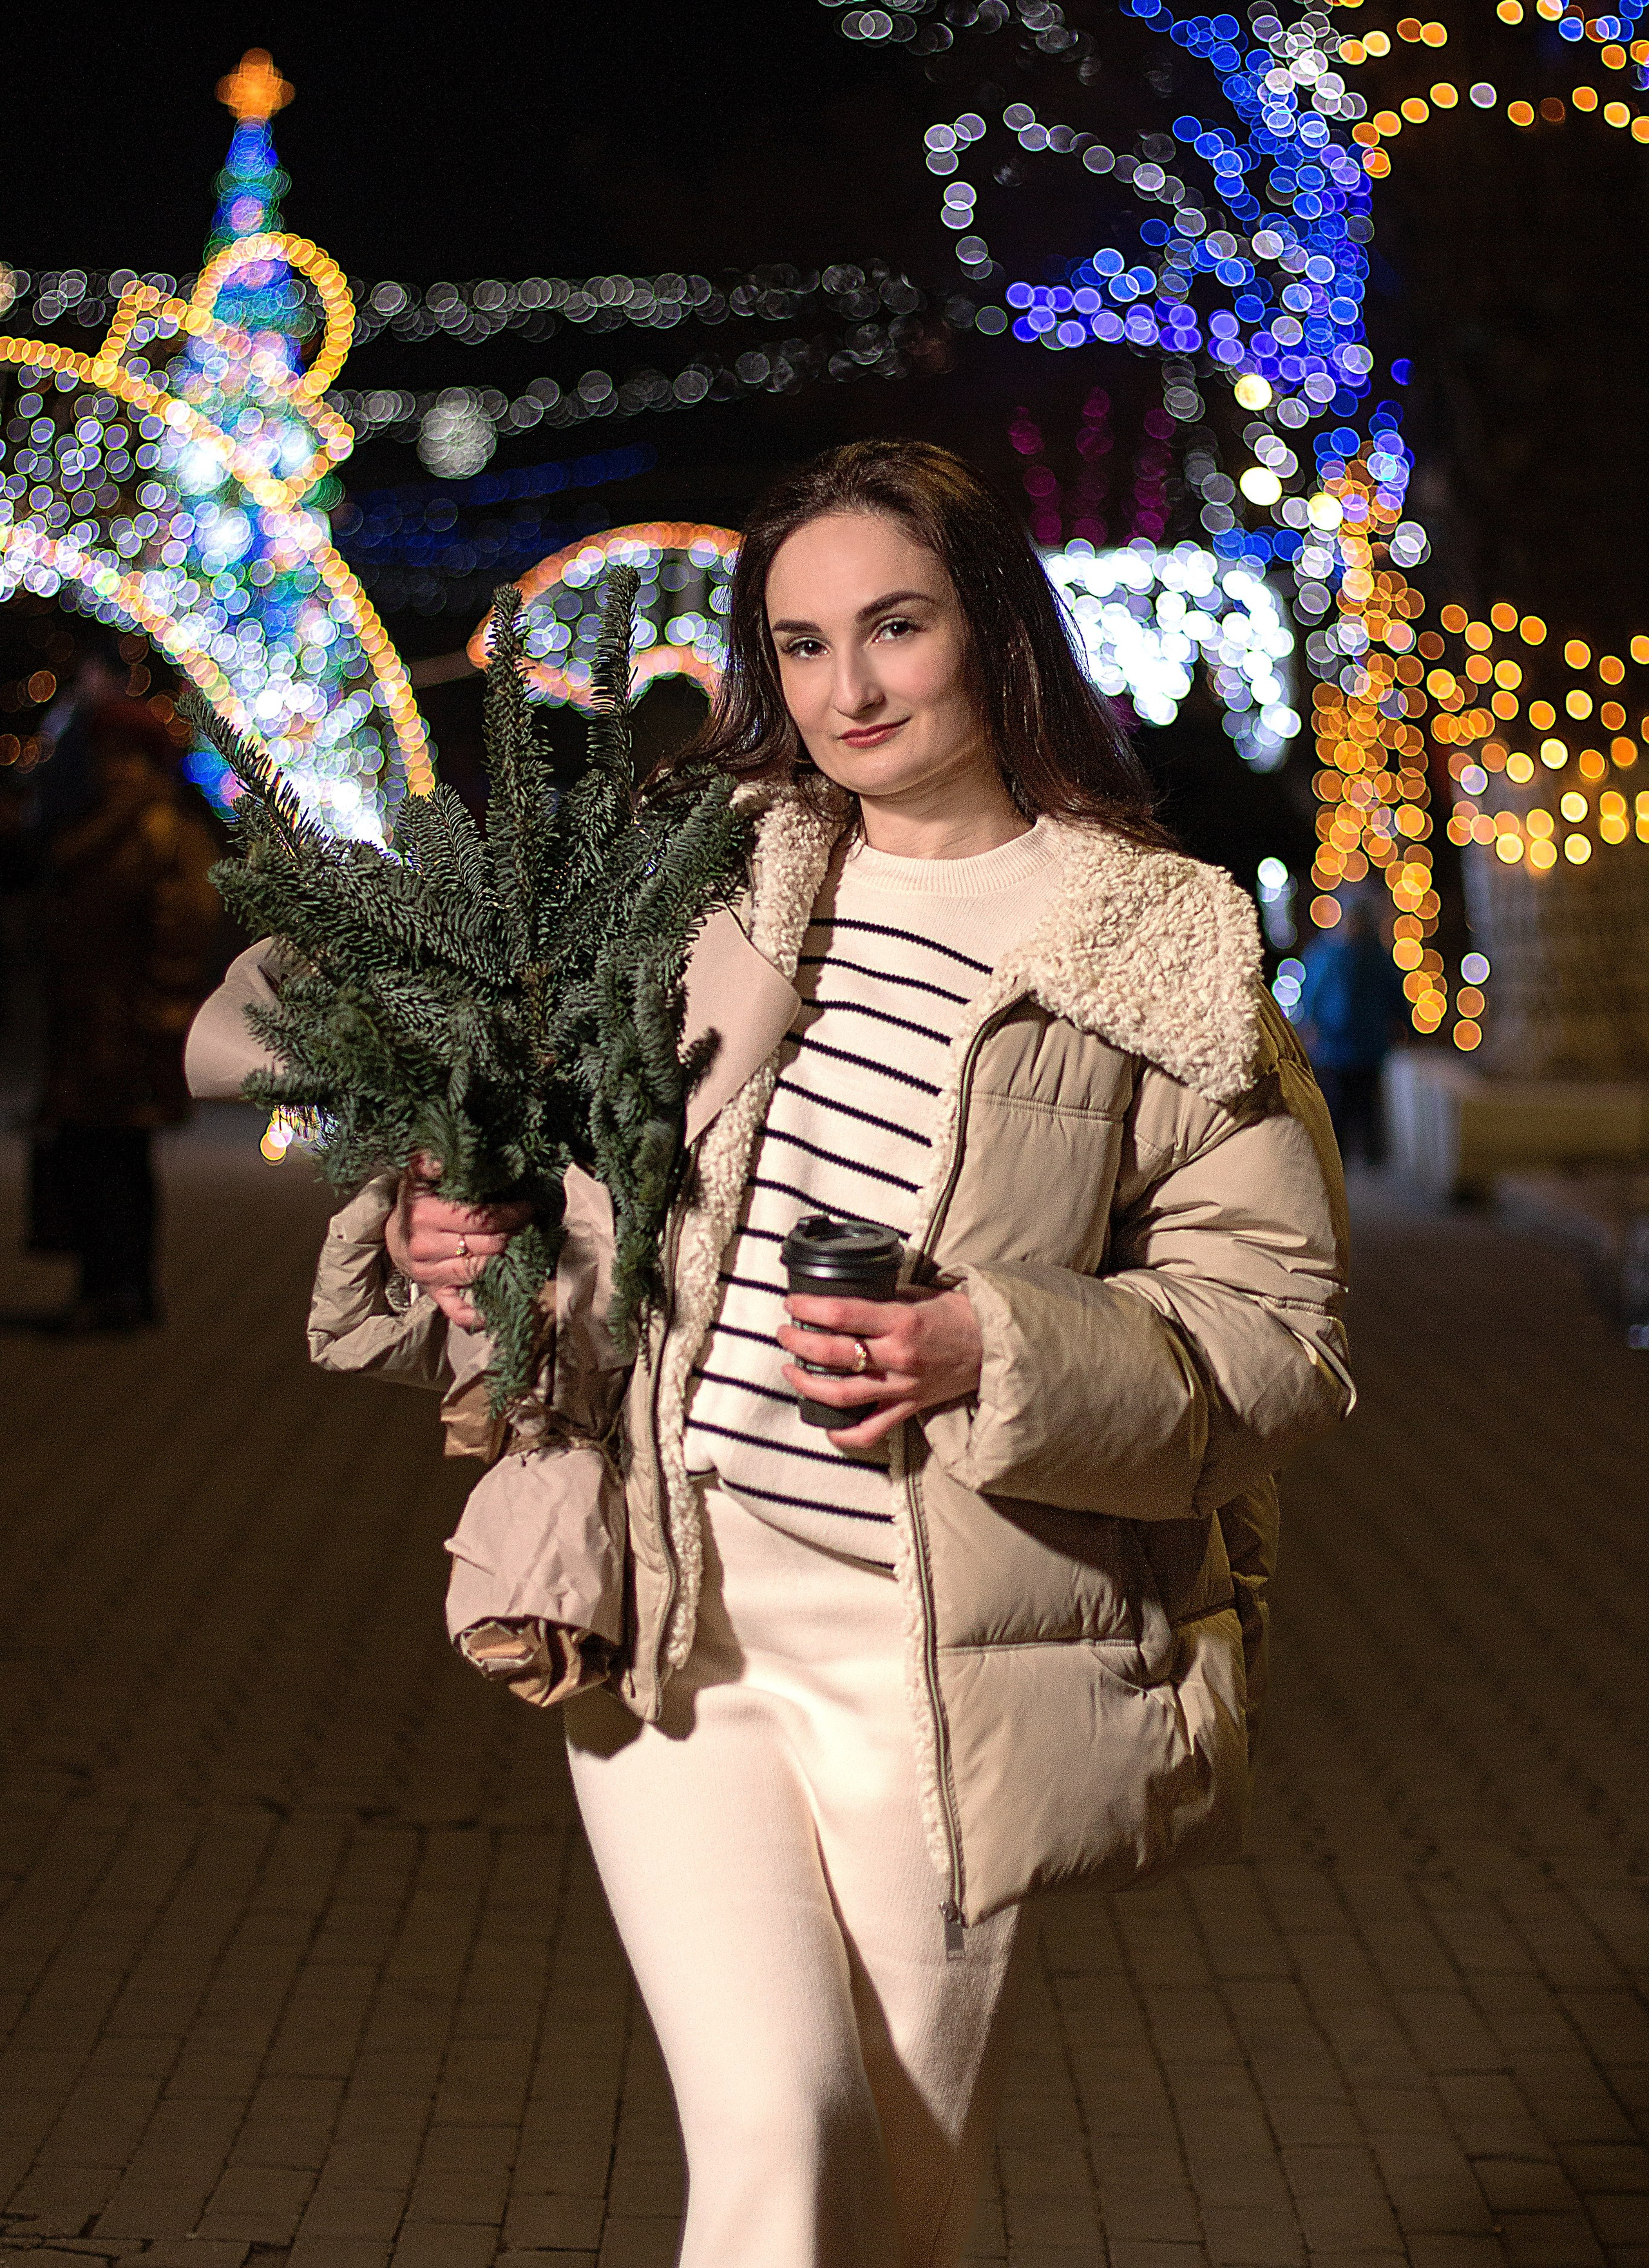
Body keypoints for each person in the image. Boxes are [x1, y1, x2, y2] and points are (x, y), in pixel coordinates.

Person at [196, 441, 1353, 2268]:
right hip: (680, 1614)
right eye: (800, 645)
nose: (847, 689)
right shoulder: (702, 895)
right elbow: (570, 1200)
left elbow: (1279, 1337)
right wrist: (452, 1241)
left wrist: (989, 1342)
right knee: (780, 2130)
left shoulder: (1151, 947)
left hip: (944, 1659)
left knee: (892, 2199)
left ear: (995, 632)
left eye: (893, 627)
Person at [33, 696, 222, 1332]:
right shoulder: (97, 824)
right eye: (106, 756)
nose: (115, 768)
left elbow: (186, 922)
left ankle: (124, 1288)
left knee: (120, 1158)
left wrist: (159, 1001)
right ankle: (109, 1285)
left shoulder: (159, 830)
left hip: (130, 1024)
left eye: (127, 756)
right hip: (89, 1020)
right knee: (92, 1154)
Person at [1296, 889, 1407, 1167]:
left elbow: (1394, 995)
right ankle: (1340, 1156)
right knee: (1338, 1106)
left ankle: (1370, 1156)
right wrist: (1311, 1025)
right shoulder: (1326, 955)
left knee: (1366, 1104)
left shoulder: (1375, 957)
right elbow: (1312, 994)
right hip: (1335, 1049)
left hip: (1367, 1047)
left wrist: (1401, 1024)